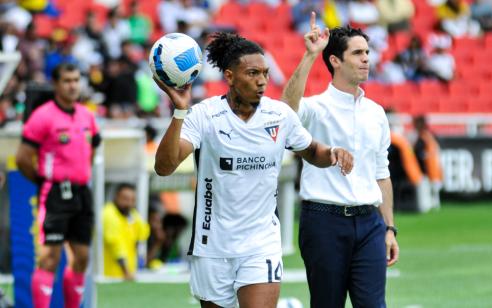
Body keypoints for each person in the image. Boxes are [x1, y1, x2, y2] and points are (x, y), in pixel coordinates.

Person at [153, 31, 354, 308]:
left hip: (261, 244)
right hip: (212, 247)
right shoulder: (204, 115)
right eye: (252, 73)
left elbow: (311, 150)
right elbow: (164, 167)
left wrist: (332, 153)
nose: (261, 81)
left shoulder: (280, 115)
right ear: (230, 76)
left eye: (265, 73)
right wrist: (179, 111)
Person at [281, 13, 399, 307]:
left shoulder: (376, 113)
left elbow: (381, 174)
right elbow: (287, 110)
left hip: (370, 224)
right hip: (323, 222)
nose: (366, 59)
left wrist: (389, 228)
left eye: (367, 53)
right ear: (335, 60)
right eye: (357, 53)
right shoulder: (315, 107)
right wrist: (310, 56)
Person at [15, 62, 101, 308]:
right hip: (53, 192)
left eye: (76, 80)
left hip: (82, 192)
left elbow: (91, 149)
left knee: (82, 257)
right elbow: (22, 158)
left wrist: (80, 173)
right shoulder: (42, 117)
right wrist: (44, 181)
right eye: (67, 81)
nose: (73, 85)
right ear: (56, 84)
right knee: (49, 257)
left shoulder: (87, 115)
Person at [103, 183, 150, 280]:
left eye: (132, 200)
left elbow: (143, 234)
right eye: (125, 199)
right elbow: (115, 246)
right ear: (116, 197)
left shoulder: (130, 215)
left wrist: (133, 215)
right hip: (110, 276)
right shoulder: (109, 215)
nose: (128, 204)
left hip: (126, 274)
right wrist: (126, 271)